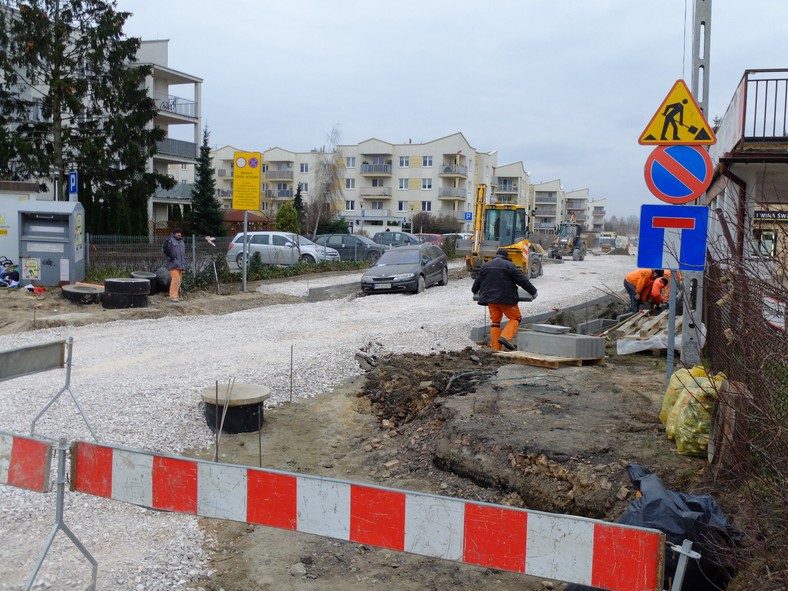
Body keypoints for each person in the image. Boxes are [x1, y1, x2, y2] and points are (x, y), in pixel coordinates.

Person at [471, 248, 537, 351]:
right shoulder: (510, 266)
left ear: (496, 255)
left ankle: (496, 349)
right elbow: (522, 281)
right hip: (507, 299)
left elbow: (476, 285)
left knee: (495, 323)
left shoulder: (485, 266)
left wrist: (474, 291)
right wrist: (533, 291)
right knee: (516, 318)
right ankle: (505, 337)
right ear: (506, 257)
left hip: (490, 300)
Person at [162, 227, 187, 302]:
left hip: (180, 264)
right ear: (174, 233)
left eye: (180, 233)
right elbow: (165, 250)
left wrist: (185, 261)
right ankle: (173, 296)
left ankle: (176, 295)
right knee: (176, 279)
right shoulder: (169, 240)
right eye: (177, 232)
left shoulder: (181, 241)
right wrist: (171, 257)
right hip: (173, 264)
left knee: (179, 281)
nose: (179, 234)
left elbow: (183, 253)